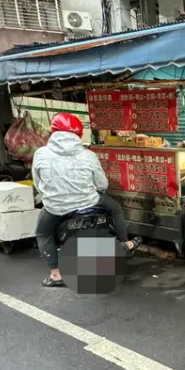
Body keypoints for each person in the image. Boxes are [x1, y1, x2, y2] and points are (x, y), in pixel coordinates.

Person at [33, 113, 139, 288]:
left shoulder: (41, 154)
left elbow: (38, 184)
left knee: (43, 233)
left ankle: (56, 274)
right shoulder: (88, 155)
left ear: (53, 131)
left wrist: (51, 194)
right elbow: (102, 183)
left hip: (55, 207)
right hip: (90, 202)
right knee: (116, 209)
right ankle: (125, 241)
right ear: (78, 133)